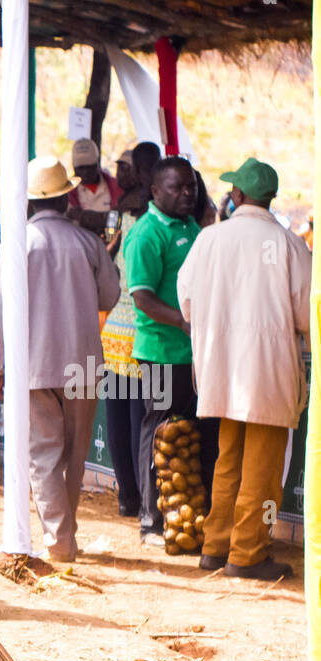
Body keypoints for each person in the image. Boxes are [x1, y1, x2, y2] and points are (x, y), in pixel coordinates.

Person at [177, 158, 310, 581]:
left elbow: (186, 301)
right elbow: (308, 315)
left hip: (222, 370)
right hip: (269, 373)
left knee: (227, 458)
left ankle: (216, 546)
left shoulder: (211, 239)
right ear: (269, 198)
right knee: (263, 470)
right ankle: (248, 553)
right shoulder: (290, 245)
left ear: (237, 196)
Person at [0, 157, 120, 561]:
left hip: (32, 365)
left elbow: (0, 310)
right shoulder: (88, 243)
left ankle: (60, 542)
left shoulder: (18, 244)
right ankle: (65, 533)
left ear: (27, 201)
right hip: (82, 364)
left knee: (43, 455)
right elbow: (110, 297)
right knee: (74, 455)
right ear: (67, 197)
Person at [123, 155, 218, 546]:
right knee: (158, 429)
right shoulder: (146, 233)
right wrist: (182, 321)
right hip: (161, 351)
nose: (186, 194)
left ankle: (192, 515)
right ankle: (151, 520)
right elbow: (142, 296)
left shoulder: (192, 225)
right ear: (155, 191)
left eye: (191, 187)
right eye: (177, 188)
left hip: (195, 354)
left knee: (193, 435)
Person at [102, 142, 160, 519]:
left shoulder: (122, 212)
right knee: (144, 422)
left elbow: (107, 260)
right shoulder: (156, 218)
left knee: (121, 418)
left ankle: (127, 496)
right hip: (145, 331)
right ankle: (144, 502)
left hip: (116, 330)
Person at [66, 138, 123, 237]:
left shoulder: (115, 188)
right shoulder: (67, 194)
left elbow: (119, 220)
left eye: (89, 167)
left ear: (97, 164)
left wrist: (81, 216)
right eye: (81, 168)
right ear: (73, 168)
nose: (85, 172)